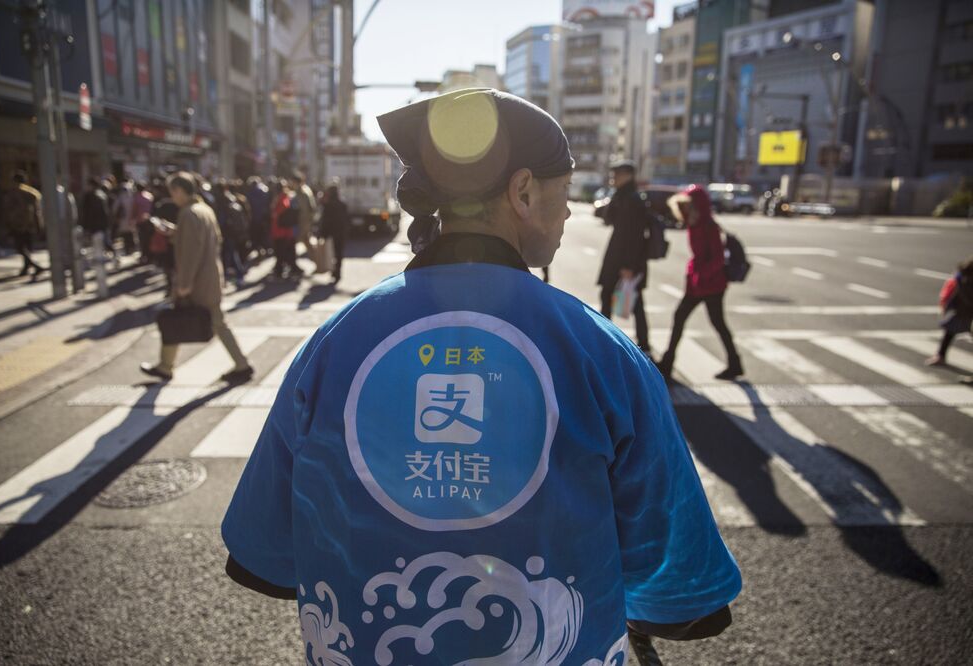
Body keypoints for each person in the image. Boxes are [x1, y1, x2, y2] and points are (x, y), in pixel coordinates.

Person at [221, 89, 740, 665]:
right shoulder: (601, 351)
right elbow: (679, 586)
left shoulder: (336, 340)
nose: (569, 210)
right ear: (521, 192)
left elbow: (264, 552)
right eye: (564, 192)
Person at [140, 172, 253, 384]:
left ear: (180, 191)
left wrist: (184, 283)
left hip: (198, 280)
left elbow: (191, 252)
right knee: (201, 321)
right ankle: (166, 365)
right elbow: (206, 241)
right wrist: (175, 232)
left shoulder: (188, 214)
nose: (172, 196)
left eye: (172, 191)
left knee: (195, 321)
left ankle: (241, 364)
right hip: (210, 276)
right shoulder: (203, 210)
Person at [657, 185, 743, 381]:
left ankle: (734, 363)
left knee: (716, 323)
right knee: (683, 318)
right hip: (699, 283)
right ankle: (668, 362)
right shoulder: (694, 224)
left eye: (690, 206)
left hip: (711, 284)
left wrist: (700, 274)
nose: (686, 209)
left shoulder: (708, 226)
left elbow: (718, 259)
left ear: (699, 206)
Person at [597, 160, 653, 352]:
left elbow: (636, 236)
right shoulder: (622, 196)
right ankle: (611, 338)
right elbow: (607, 218)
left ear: (628, 176)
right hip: (617, 257)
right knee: (611, 297)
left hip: (625, 261)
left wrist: (629, 265)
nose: (613, 179)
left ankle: (639, 342)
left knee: (630, 301)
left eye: (617, 175)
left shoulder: (633, 200)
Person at [926, 256, 973, 367]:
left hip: (963, 311)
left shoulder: (962, 279)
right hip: (964, 312)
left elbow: (955, 295)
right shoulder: (964, 280)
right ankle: (940, 355)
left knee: (949, 332)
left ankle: (940, 356)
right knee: (949, 332)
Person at [2, 171, 45, 278]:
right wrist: (39, 225)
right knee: (24, 247)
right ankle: (27, 267)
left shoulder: (14, 193)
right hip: (29, 225)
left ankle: (34, 266)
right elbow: (38, 212)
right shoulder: (33, 193)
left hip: (19, 225)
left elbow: (9, 211)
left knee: (20, 247)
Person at [269, 180, 302, 280]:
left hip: (282, 232)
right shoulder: (286, 197)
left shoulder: (282, 199)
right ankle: (291, 269)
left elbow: (278, 214)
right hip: (285, 231)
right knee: (286, 252)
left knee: (281, 252)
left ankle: (282, 271)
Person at [319, 182, 349, 284]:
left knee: (331, 253)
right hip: (340, 232)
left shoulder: (328, 205)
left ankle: (334, 270)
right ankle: (337, 272)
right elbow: (346, 219)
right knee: (339, 253)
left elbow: (325, 220)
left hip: (331, 233)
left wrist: (322, 233)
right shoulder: (342, 204)